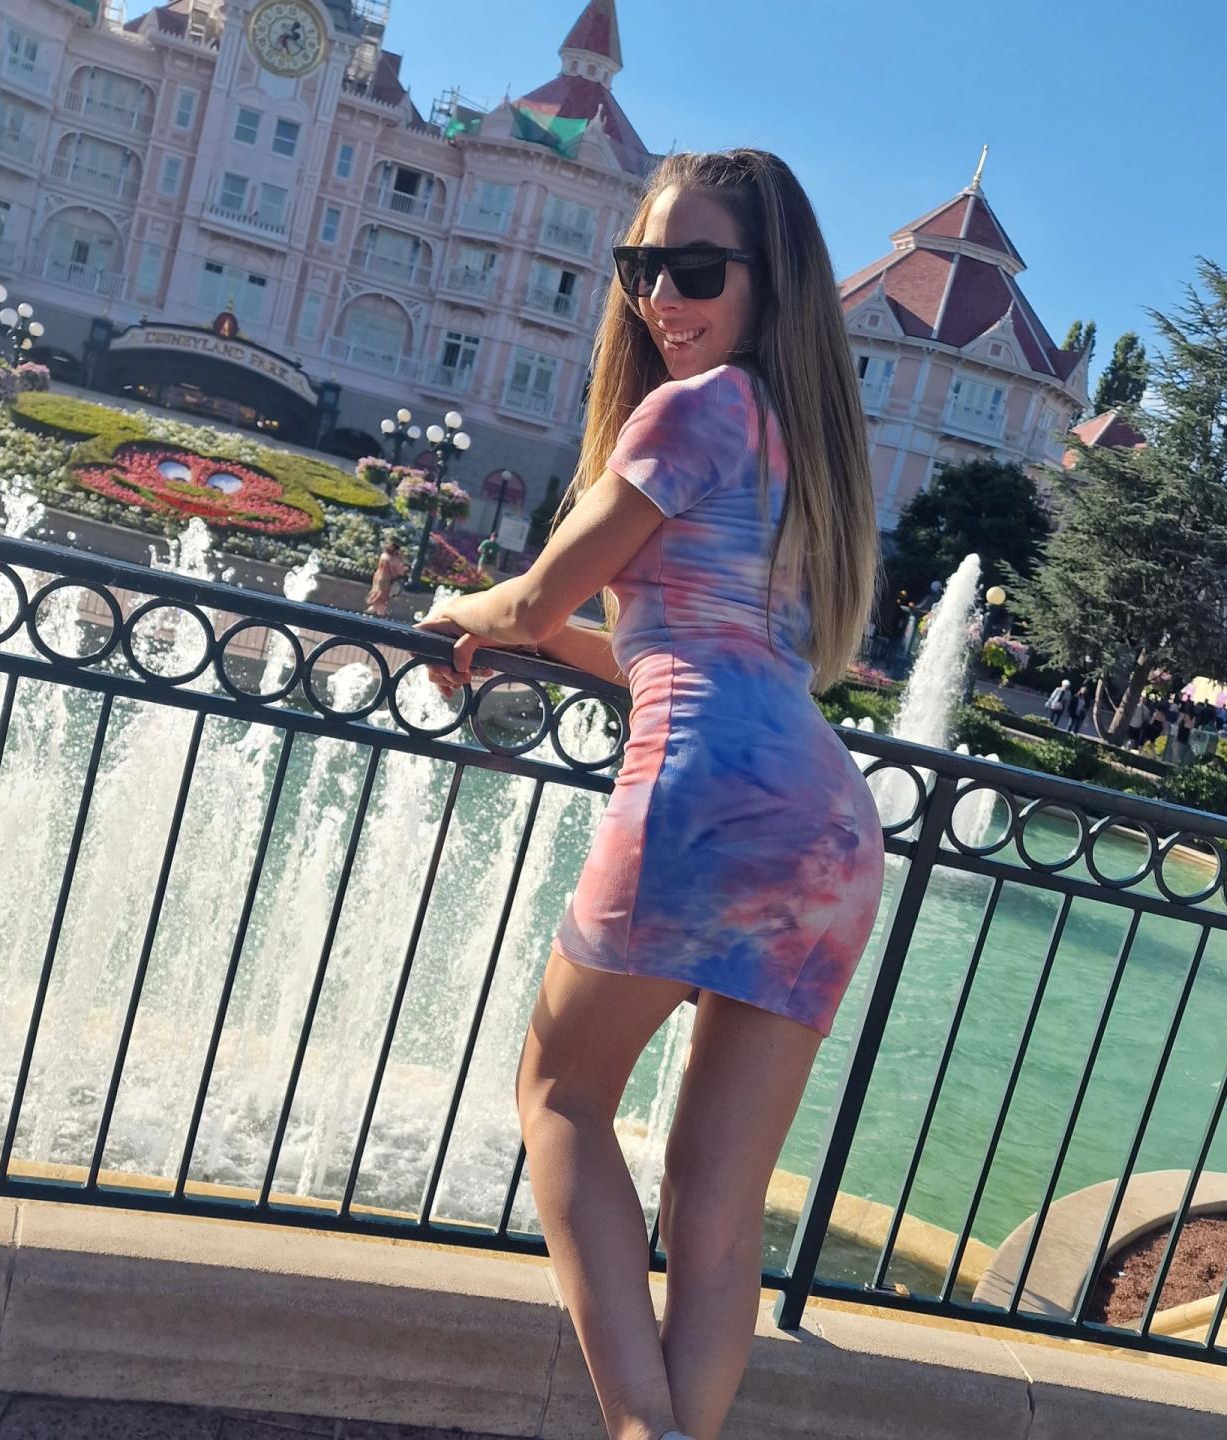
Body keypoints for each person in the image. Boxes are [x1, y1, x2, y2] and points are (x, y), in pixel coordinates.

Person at [415, 149, 884, 1440]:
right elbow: (667, 645)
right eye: (643, 268)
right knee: (715, 1215)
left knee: (559, 1098)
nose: (663, 298)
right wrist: (530, 635)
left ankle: (637, 1428)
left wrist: (471, 612)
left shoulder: (695, 408)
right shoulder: (801, 443)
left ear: (768, 282)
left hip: (700, 798)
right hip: (828, 834)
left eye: (697, 269)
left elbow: (537, 600)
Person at [364, 536, 409, 617]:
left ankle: (374, 612)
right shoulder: (393, 559)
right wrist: (403, 563)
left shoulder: (383, 555)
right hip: (386, 580)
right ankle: (378, 613)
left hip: (378, 576)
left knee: (377, 595)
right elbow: (400, 571)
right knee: (382, 598)